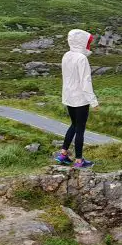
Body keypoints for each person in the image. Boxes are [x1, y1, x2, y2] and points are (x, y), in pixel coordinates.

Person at [54, 28, 99, 168]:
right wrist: (94, 102)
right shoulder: (82, 58)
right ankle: (79, 161)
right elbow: (86, 82)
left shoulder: (66, 55)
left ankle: (63, 154)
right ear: (82, 42)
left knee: (74, 125)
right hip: (80, 99)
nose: (88, 45)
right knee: (80, 128)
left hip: (69, 97)